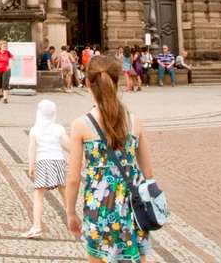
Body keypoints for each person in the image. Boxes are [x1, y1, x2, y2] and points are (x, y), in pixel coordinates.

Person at [63, 49, 155, 262]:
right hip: (134, 206)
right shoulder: (135, 121)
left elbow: (74, 178)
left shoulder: (81, 125)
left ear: (87, 84)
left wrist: (70, 213)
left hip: (100, 206)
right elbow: (148, 172)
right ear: (118, 81)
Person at [23, 98, 69, 239]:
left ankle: (37, 226)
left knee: (39, 195)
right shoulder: (59, 128)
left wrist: (31, 165)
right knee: (65, 194)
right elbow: (68, 144)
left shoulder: (35, 130)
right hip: (59, 161)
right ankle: (74, 221)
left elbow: (32, 148)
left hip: (43, 162)